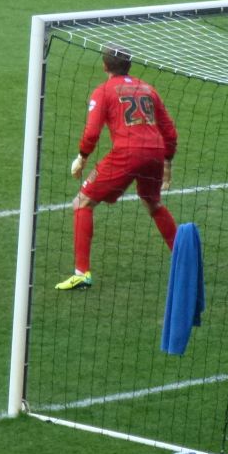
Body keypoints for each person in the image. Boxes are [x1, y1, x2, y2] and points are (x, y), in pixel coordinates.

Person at [58, 47, 180, 291]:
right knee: (152, 203)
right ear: (129, 66)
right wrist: (167, 161)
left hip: (127, 153)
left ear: (105, 67)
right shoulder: (148, 89)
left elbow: (92, 132)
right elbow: (169, 130)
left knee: (82, 203)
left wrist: (82, 157)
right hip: (155, 151)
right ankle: (184, 259)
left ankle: (82, 273)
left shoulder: (103, 91)